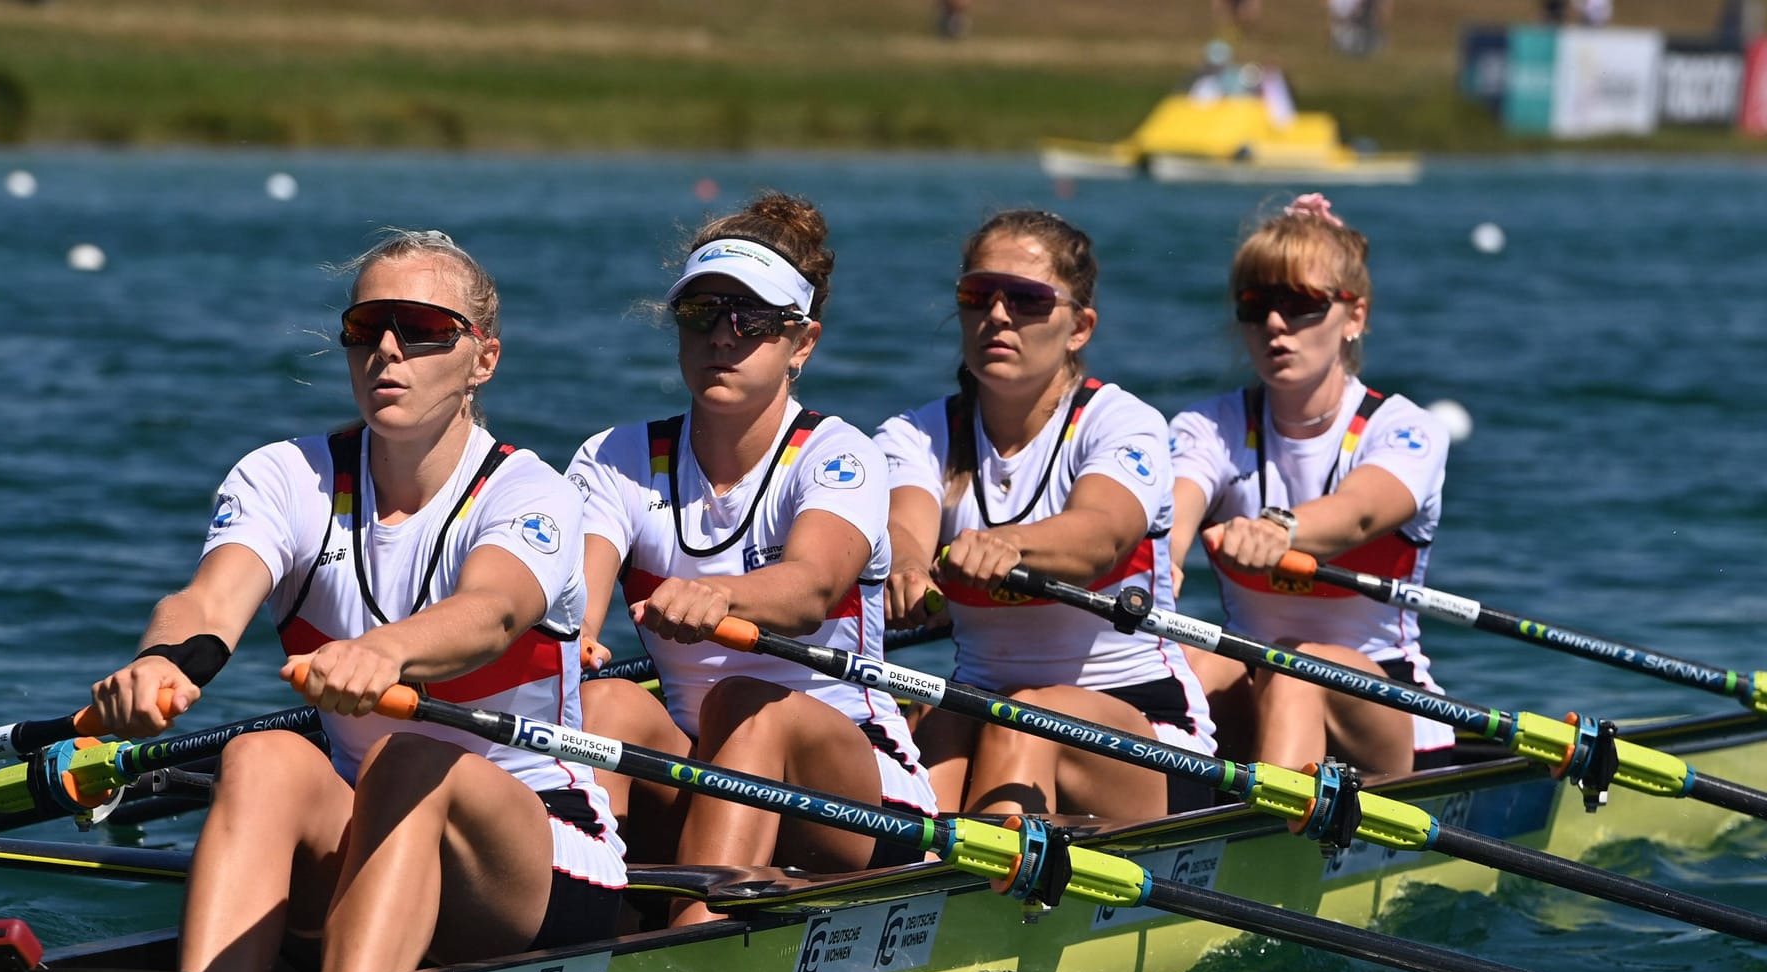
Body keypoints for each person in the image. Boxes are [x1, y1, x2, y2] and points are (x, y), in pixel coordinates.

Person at [91, 229, 627, 972]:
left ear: (484, 360)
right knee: (263, 756)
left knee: (403, 755)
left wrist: (387, 651)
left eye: (422, 330)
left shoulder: (529, 493)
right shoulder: (286, 477)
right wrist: (160, 663)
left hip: (537, 857)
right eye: (363, 328)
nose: (386, 349)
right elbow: (209, 600)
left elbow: (494, 611)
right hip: (367, 823)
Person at [569, 193, 934, 923]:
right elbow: (573, 595)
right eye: (701, 315)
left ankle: (683, 947)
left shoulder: (840, 456)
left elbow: (811, 587)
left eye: (751, 321)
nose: (722, 338)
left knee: (745, 703)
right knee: (603, 699)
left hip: (857, 797)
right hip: (706, 767)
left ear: (802, 343)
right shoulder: (617, 457)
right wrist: (566, 634)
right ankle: (578, 922)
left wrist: (723, 597)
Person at [875, 210, 1216, 823]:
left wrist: (1008, 546)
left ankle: (978, 900)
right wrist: (903, 568)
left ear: (1079, 327)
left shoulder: (1121, 424)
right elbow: (906, 526)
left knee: (1023, 718)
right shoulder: (914, 435)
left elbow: (1101, 536)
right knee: (938, 729)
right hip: (989, 711)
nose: (998, 316)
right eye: (978, 295)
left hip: (1150, 733)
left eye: (1028, 299)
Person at [1169, 193, 1453, 779]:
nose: (1276, 323)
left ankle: (1265, 850)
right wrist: (1163, 557)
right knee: (1186, 665)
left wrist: (1282, 530)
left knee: (1296, 669)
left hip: (1386, 701)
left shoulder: (1404, 430)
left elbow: (1360, 514)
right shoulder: (1207, 428)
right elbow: (1173, 505)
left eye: (1300, 303)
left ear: (1355, 317)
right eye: (1257, 304)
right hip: (1257, 673)